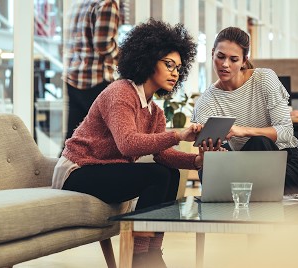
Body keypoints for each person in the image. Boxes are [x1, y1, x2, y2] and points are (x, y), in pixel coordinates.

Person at [52, 19, 220, 267]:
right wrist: (178, 135)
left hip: (105, 169)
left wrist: (197, 161)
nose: (175, 72)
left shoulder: (155, 111)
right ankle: (139, 256)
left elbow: (163, 155)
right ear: (148, 60)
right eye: (168, 64)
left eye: (178, 67)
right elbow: (128, 145)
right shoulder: (120, 92)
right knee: (157, 175)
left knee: (169, 173)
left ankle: (152, 250)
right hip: (79, 171)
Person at [192, 27, 298, 195]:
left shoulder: (264, 79)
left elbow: (286, 131)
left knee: (259, 142)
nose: (225, 64)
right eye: (220, 57)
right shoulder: (206, 101)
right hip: (244, 169)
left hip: (286, 167)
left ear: (244, 61)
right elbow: (211, 154)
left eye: (233, 59)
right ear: (212, 53)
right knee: (208, 169)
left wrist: (241, 131)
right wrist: (212, 152)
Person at [63, 0, 120, 147]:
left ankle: (62, 169)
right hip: (96, 80)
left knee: (73, 138)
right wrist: (123, 57)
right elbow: (103, 44)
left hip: (74, 78)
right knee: (104, 141)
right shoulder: (107, 3)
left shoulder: (79, 3)